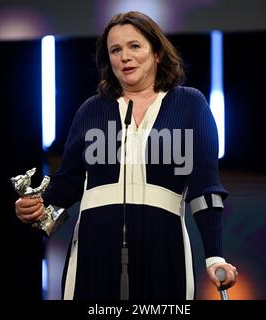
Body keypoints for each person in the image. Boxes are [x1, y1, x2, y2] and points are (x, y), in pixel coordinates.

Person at [15, 11, 237, 300]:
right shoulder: (91, 109)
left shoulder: (190, 104)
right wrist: (36, 203)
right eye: (115, 50)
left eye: (135, 46)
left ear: (157, 53)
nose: (124, 57)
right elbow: (69, 182)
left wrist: (214, 258)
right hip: (93, 249)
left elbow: (205, 191)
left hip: (163, 246)